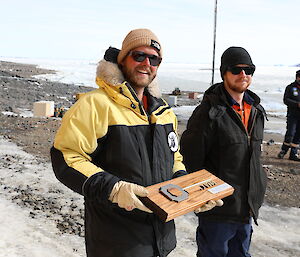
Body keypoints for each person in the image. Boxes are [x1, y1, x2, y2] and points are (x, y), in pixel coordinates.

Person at [50, 28, 219, 257]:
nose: (146, 63)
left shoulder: (163, 113)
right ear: (123, 60)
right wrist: (113, 188)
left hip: (161, 239)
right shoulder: (95, 105)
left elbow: (174, 159)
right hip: (116, 242)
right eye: (138, 55)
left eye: (154, 59)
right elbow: (67, 156)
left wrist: (188, 192)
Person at [180, 46, 267, 257]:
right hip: (218, 211)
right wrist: (202, 197)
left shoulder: (256, 111)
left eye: (249, 70)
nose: (243, 75)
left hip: (246, 208)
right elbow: (190, 160)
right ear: (224, 73)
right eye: (236, 70)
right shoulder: (208, 113)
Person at [277, 70, 300, 161]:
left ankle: (293, 154)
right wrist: (297, 104)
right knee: (290, 134)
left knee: (298, 136)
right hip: (292, 115)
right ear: (297, 77)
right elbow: (286, 100)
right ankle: (283, 151)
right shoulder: (290, 87)